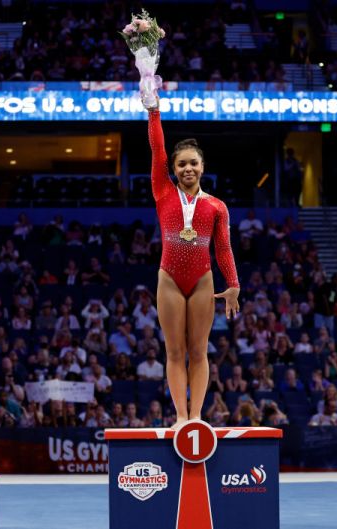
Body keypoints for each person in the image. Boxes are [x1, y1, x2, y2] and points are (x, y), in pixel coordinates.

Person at [145, 94, 240, 427]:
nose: (187, 168)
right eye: (181, 164)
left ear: (203, 167)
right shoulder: (163, 192)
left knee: (199, 351)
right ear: (173, 169)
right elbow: (157, 149)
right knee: (174, 351)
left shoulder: (216, 206)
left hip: (202, 278)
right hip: (169, 278)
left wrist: (233, 285)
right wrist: (153, 110)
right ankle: (180, 417)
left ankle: (197, 416)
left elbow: (223, 248)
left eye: (193, 163)